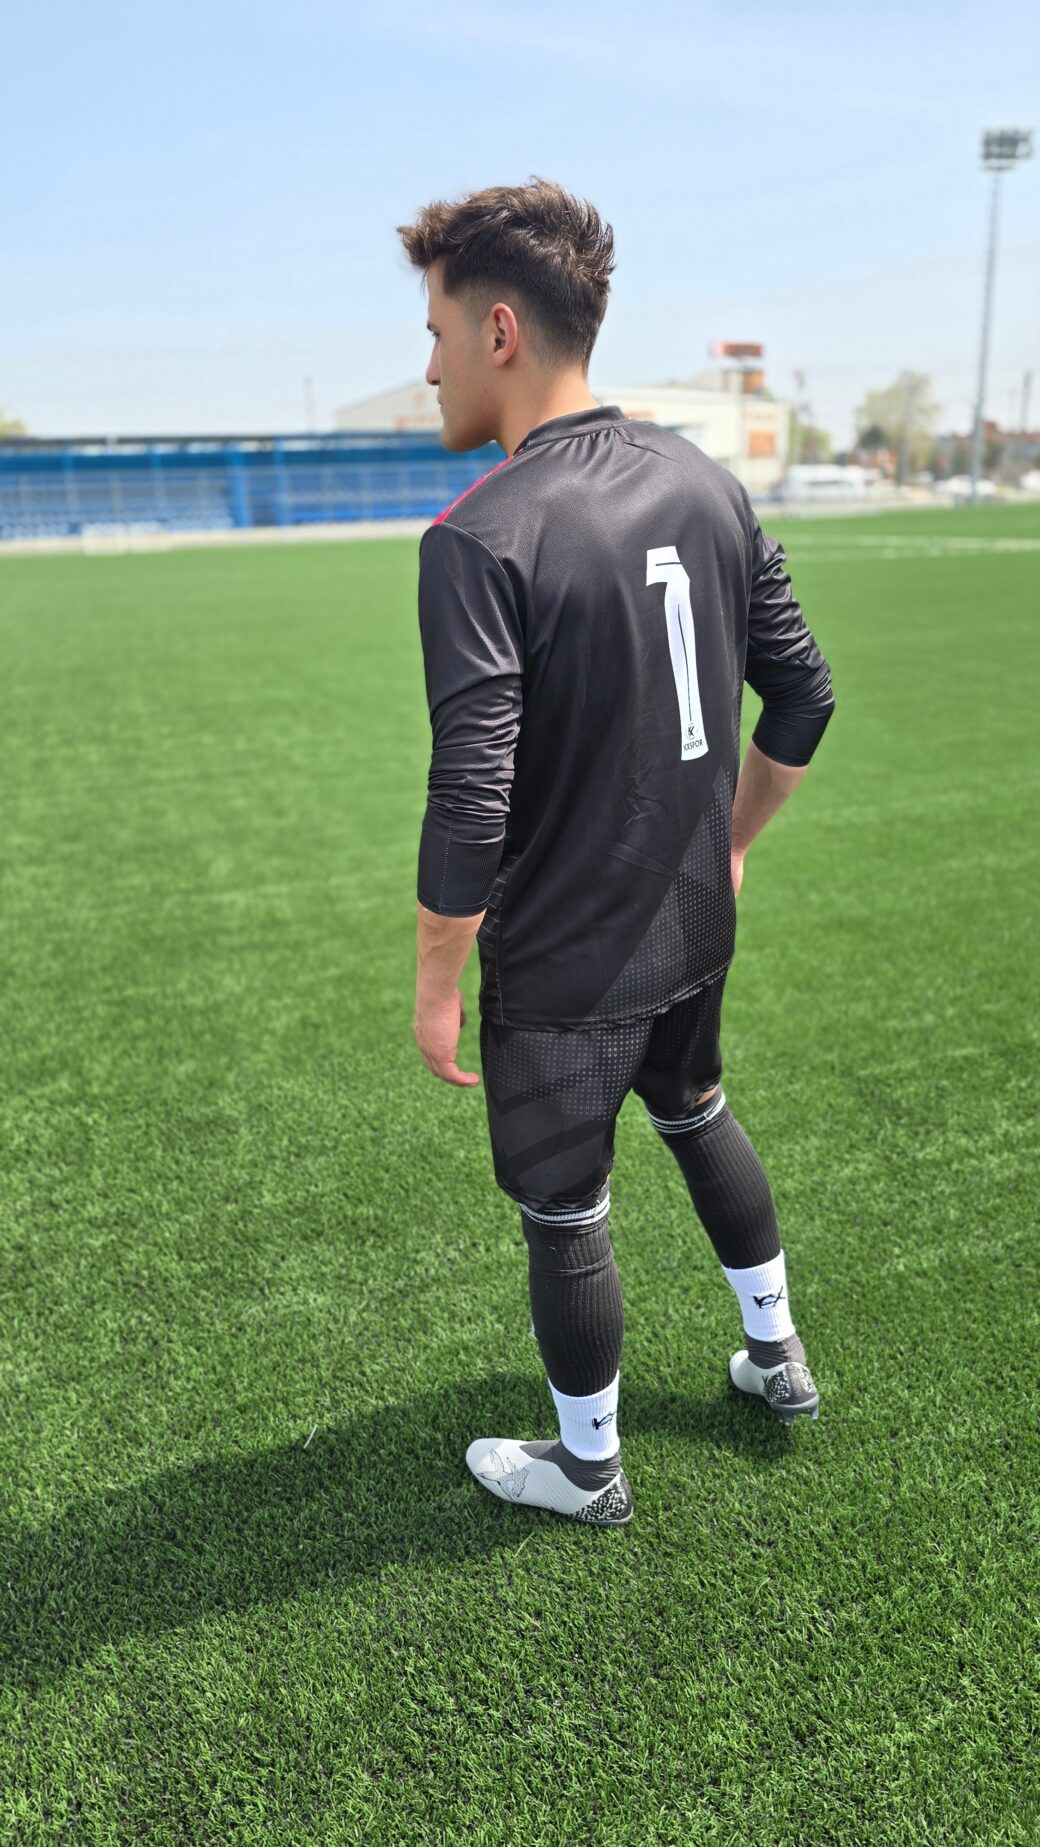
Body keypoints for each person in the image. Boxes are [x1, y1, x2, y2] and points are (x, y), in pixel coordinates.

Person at [398, 177, 835, 1528]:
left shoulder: (478, 535)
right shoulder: (707, 482)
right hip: (693, 919)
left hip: (568, 957)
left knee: (565, 1207)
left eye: (437, 333)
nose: (430, 368)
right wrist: (735, 843)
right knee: (696, 1108)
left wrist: (435, 977)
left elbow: (472, 796)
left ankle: (588, 1469)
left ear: (502, 331)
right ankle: (776, 1356)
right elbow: (804, 695)